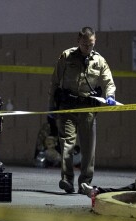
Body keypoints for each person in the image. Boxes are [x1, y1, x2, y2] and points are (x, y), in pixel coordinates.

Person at [48, 26, 117, 193]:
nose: (88, 47)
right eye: (85, 44)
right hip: (67, 108)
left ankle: (85, 182)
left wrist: (111, 96)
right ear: (78, 40)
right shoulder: (66, 56)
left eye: (91, 44)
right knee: (67, 145)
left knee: (88, 149)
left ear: (95, 42)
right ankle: (67, 180)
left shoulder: (99, 61)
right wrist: (51, 106)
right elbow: (55, 82)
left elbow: (108, 81)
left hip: (88, 109)